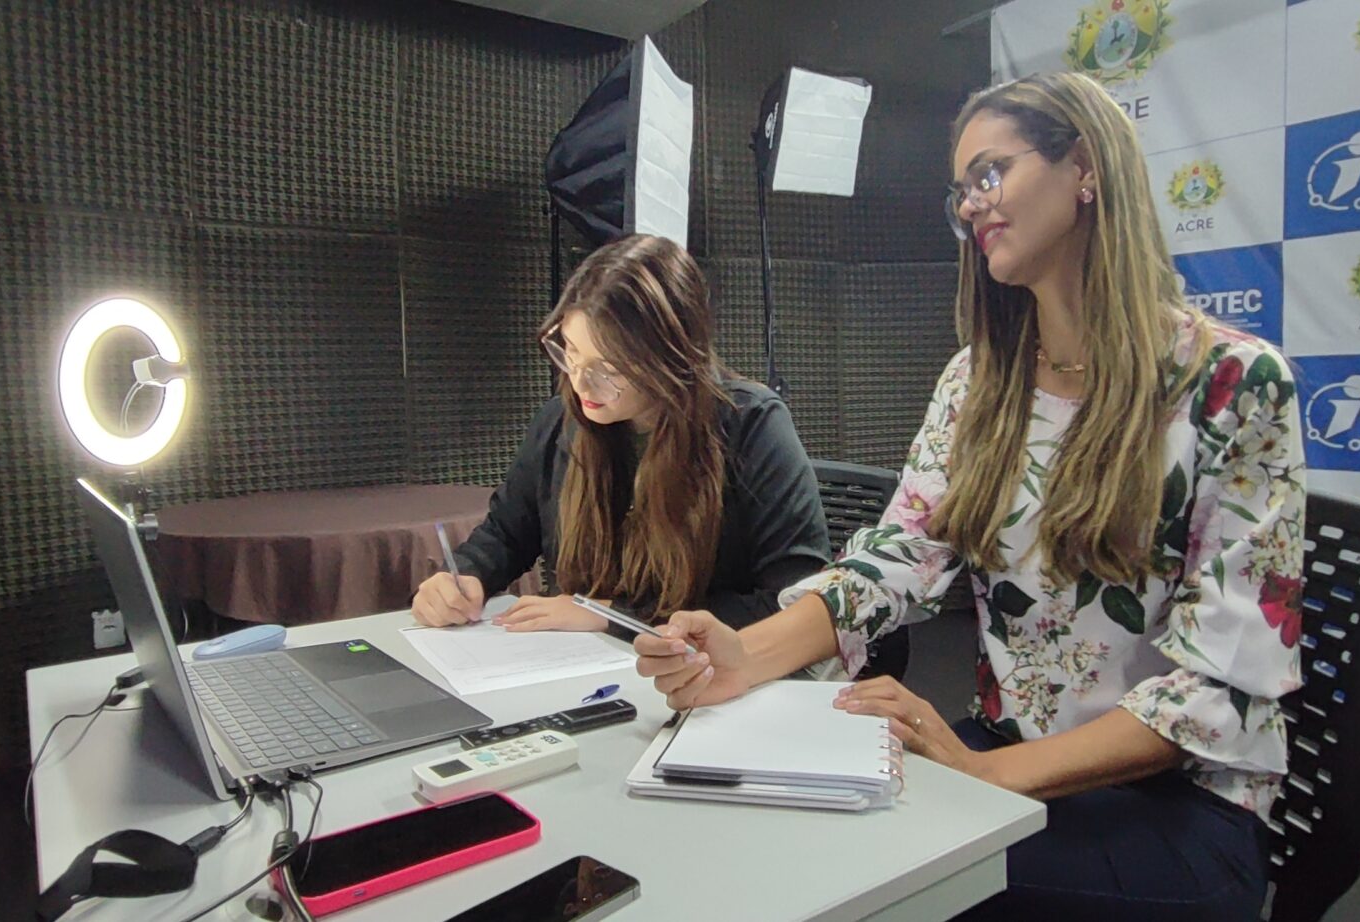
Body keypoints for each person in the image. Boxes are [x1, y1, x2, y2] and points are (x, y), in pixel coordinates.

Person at [635, 72, 1306, 921]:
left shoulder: (1236, 385)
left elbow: (1223, 685)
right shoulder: (976, 385)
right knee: (805, 844)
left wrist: (986, 774)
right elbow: (897, 559)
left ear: (1085, 169)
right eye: (962, 191)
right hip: (1004, 757)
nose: (972, 206)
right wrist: (744, 655)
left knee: (876, 889)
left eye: (992, 174)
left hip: (1178, 803)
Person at [412, 234, 832, 636]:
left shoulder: (750, 426)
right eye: (570, 354)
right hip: (584, 666)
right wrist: (466, 576)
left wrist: (615, 617)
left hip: (708, 676)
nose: (581, 385)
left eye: (609, 371)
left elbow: (795, 603)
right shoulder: (563, 420)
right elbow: (506, 533)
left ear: (672, 360)